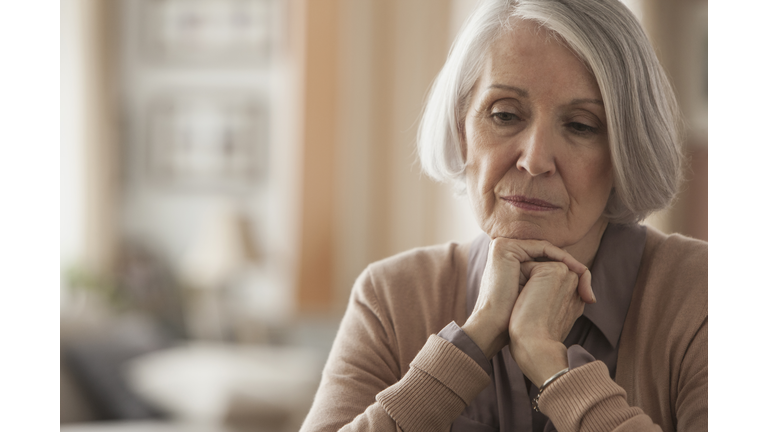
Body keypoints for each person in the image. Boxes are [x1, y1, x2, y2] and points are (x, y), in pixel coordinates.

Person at [300, 0, 707, 430]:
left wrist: (553, 368)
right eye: (505, 115)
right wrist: (468, 344)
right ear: (462, 129)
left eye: (581, 125)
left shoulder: (705, 295)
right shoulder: (390, 298)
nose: (535, 160)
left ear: (626, 150)